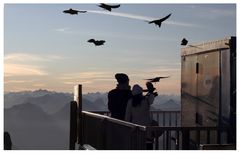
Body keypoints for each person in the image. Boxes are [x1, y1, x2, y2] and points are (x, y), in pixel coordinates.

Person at [125, 84, 155, 150]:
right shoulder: (146, 100)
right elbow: (152, 98)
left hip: (135, 130)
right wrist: (151, 91)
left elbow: (127, 116)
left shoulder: (130, 102)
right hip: (147, 129)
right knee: (148, 147)